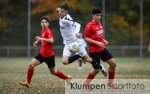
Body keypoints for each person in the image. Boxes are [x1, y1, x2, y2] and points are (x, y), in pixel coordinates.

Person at [56, 3, 107, 77]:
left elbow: (78, 25)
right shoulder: (61, 14)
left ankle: (100, 67)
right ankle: (79, 56)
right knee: (64, 61)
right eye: (60, 10)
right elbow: (59, 10)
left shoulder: (67, 19)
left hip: (75, 42)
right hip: (67, 43)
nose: (60, 12)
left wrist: (76, 32)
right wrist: (58, 10)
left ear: (66, 12)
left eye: (62, 11)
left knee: (88, 59)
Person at [19, 16, 71, 88]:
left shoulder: (48, 31)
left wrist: (41, 38)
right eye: (42, 22)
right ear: (40, 23)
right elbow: (44, 39)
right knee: (31, 65)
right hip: (41, 54)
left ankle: (66, 78)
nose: (44, 23)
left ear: (48, 24)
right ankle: (27, 82)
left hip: (49, 56)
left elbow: (51, 40)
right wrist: (37, 41)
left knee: (53, 72)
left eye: (45, 22)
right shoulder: (43, 31)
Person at [84, 8, 117, 88]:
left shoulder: (99, 23)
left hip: (102, 49)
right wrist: (97, 43)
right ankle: (86, 83)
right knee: (97, 70)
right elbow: (86, 38)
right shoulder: (89, 26)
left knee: (113, 64)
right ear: (93, 15)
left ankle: (110, 83)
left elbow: (99, 35)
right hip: (94, 51)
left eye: (100, 15)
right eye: (97, 15)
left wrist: (104, 40)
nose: (99, 17)